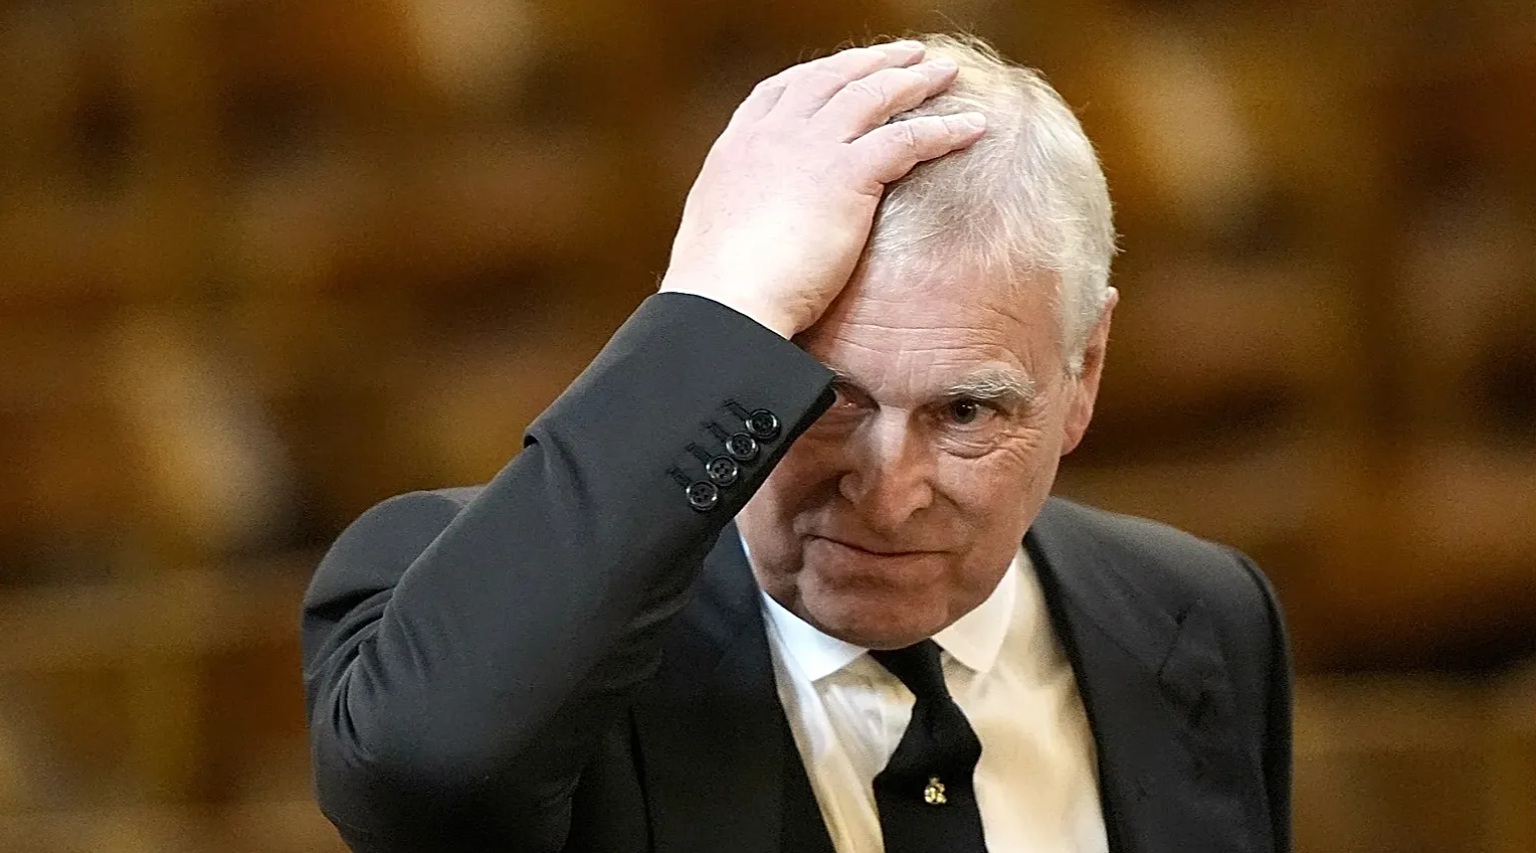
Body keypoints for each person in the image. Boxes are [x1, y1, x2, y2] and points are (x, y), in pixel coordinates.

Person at [302, 33, 1291, 853]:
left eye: (965, 413)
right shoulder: (500, 623)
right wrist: (713, 305)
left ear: (1085, 372)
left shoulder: (1198, 616)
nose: (889, 496)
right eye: (830, 400)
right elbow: (421, 778)